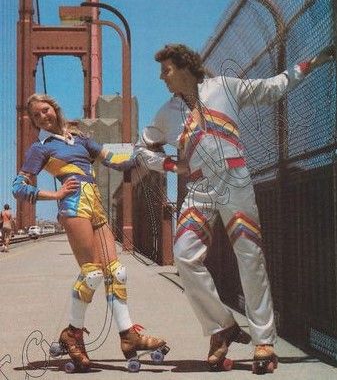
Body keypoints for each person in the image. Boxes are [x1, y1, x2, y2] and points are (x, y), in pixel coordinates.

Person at [134, 43, 334, 373]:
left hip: (234, 181)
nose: (161, 77)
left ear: (185, 67)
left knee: (249, 256)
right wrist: (171, 166)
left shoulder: (225, 86)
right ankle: (221, 327)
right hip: (198, 189)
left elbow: (273, 87)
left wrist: (314, 62)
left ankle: (263, 340)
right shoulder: (166, 113)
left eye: (166, 70)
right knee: (184, 255)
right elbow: (141, 149)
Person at [12, 94, 167, 372]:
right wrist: (54, 194)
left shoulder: (80, 139)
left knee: (116, 272)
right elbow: (18, 187)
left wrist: (148, 151)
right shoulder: (41, 148)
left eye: (45, 110)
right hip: (73, 207)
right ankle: (72, 334)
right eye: (36, 116)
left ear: (54, 108)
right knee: (92, 273)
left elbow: (116, 160)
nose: (42, 117)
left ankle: (128, 336)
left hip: (95, 204)